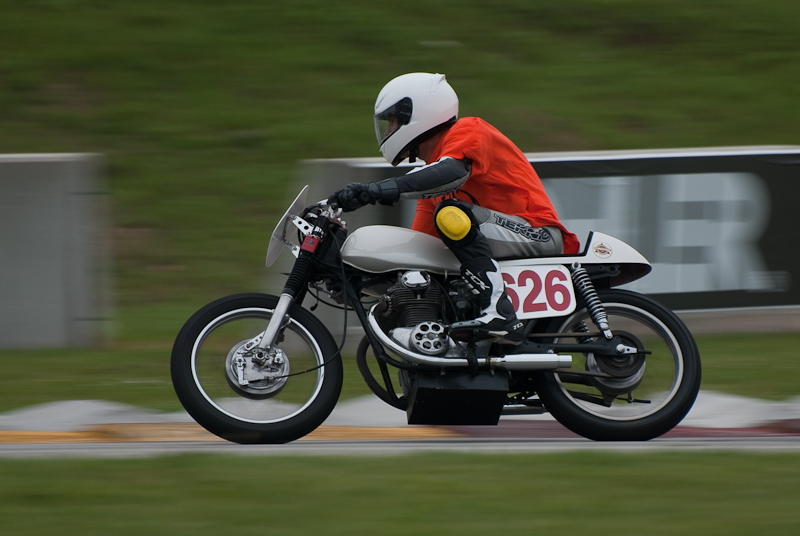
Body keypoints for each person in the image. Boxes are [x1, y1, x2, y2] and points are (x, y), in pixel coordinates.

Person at [328, 72, 579, 344]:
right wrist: (356, 281)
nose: (388, 131)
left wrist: (376, 190)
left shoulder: (469, 130)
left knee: (450, 214)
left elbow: (450, 171)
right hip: (503, 241)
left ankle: (499, 310)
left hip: (538, 234)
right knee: (441, 235)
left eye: (392, 121)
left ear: (418, 112)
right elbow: (418, 255)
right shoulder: (432, 184)